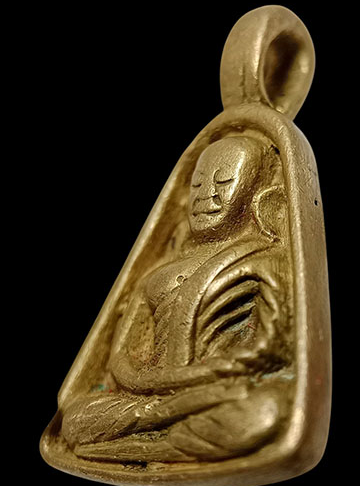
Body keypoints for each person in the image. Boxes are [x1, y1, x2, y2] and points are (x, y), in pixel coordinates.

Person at [61, 136, 294, 462]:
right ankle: (163, 437)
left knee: (269, 409)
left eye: (223, 183)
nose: (206, 196)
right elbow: (119, 357)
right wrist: (150, 386)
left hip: (216, 391)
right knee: (75, 419)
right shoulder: (157, 274)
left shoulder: (266, 262)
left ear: (254, 194)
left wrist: (199, 379)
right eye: (197, 185)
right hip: (150, 398)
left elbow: (271, 349)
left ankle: (129, 447)